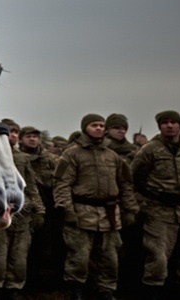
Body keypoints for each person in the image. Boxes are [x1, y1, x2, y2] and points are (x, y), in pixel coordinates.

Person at [53, 113, 138, 300]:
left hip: (109, 214)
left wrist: (130, 209)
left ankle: (106, 290)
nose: (99, 128)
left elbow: (125, 184)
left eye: (101, 125)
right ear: (85, 128)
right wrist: (66, 209)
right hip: (82, 212)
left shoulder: (112, 156)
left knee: (110, 258)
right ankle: (78, 291)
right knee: (79, 257)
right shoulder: (72, 154)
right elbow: (62, 183)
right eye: (94, 125)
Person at [131, 110, 180, 300]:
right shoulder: (149, 150)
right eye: (165, 123)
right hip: (159, 210)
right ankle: (153, 291)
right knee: (158, 256)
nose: (170, 126)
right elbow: (135, 178)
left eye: (174, 122)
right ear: (159, 126)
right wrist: (149, 199)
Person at [0, 119, 44, 300]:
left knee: (19, 257)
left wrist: (39, 210)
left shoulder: (22, 159)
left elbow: (31, 187)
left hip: (22, 216)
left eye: (16, 132)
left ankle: (14, 289)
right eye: (9, 131)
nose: (13, 135)